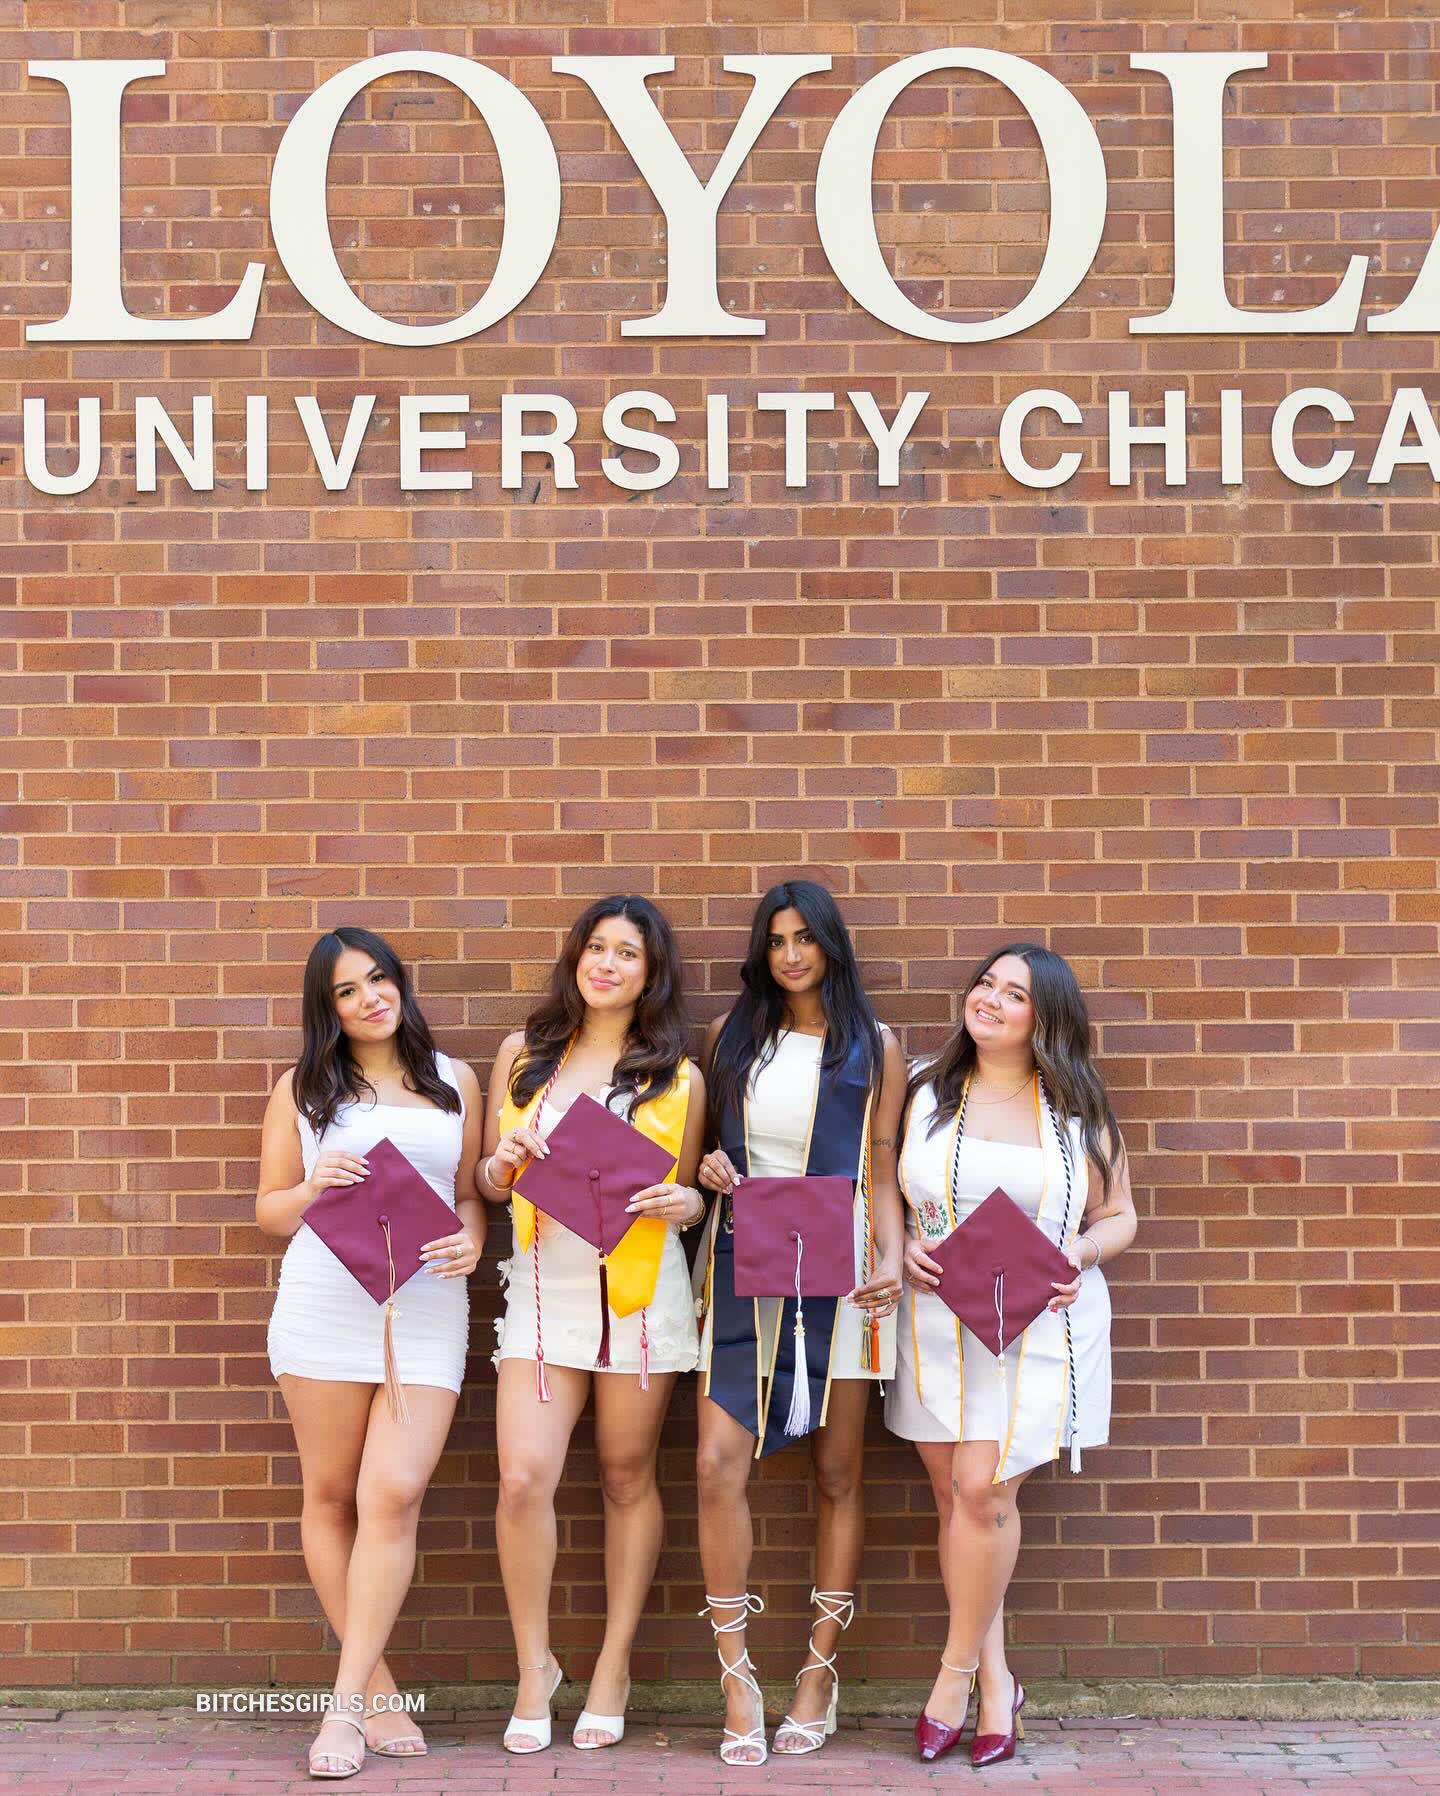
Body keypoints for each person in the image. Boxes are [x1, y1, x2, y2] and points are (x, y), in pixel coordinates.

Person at [888, 943, 1136, 1767]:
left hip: (1038, 1324)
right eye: (986, 983)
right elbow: (885, 1193)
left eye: (1014, 994)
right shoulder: (924, 1089)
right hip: (937, 1321)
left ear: (1045, 1017)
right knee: (957, 1501)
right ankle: (998, 1682)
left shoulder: (1076, 1108)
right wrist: (902, 1248)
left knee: (983, 1492)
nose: (989, 1000)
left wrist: (1080, 1255)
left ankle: (954, 1675)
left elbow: (1119, 1214)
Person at [480, 895, 707, 1754]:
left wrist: (685, 1202)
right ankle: (533, 1667)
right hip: (544, 1289)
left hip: (639, 1296)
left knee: (624, 1476)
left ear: (652, 974)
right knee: (521, 1480)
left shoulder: (678, 1076)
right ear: (575, 957)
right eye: (596, 948)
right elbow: (489, 1181)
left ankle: (613, 1668)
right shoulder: (524, 1054)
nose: (607, 965)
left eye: (628, 954)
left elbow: (691, 1192)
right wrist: (502, 1163)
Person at [257, 927, 483, 1779]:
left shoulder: (455, 1080)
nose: (368, 999)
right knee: (329, 1497)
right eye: (347, 991)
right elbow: (269, 1211)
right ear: (330, 1008)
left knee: (391, 1493)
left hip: (425, 1311)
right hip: (324, 1306)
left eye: (378, 979)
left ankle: (343, 1707)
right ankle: (368, 1695)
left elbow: (469, 1194)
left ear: (400, 984)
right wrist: (313, 1186)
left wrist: (470, 1239)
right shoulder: (304, 1087)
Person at [692, 880, 905, 1765]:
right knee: (716, 1464)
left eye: (806, 938)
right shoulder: (730, 1036)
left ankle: (818, 1674)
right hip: (746, 1254)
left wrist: (892, 1255)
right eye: (777, 939)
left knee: (838, 1470)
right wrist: (709, 1167)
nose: (790, 954)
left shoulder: (875, 1044)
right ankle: (736, 1677)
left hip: (839, 1264)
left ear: (831, 946)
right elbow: (703, 1149)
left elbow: (882, 1163)